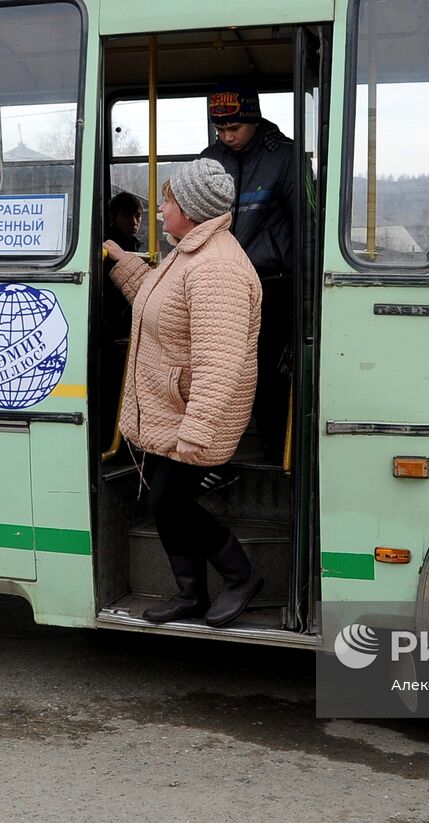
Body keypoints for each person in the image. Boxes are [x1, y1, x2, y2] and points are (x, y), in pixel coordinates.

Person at [102, 158, 264, 627]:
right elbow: (155, 301)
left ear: (190, 211)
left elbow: (220, 362)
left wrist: (197, 428)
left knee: (168, 502)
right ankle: (190, 595)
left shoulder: (218, 269)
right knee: (164, 501)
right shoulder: (188, 252)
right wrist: (120, 259)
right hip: (171, 409)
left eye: (168, 201)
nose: (159, 210)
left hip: (192, 413)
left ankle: (242, 577)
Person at [199, 81, 306, 470]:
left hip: (272, 284)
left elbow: (306, 226)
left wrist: (305, 293)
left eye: (235, 129)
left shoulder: (287, 157)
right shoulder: (210, 159)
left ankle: (275, 454)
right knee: (219, 370)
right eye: (220, 130)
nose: (227, 138)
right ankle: (215, 457)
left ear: (255, 122)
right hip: (219, 283)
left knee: (268, 374)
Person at [98, 191, 145, 429]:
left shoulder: (136, 247)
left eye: (138, 216)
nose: (134, 222)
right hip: (112, 323)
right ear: (113, 217)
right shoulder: (107, 249)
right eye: (127, 216)